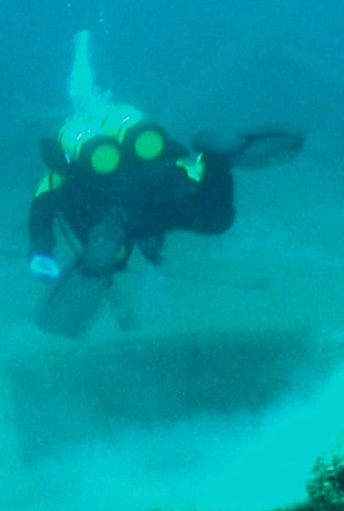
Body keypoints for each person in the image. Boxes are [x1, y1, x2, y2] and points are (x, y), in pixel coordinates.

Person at [27, 32, 300, 337]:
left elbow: (43, 206)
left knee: (104, 258)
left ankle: (118, 306)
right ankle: (216, 157)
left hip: (112, 212)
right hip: (156, 188)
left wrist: (41, 248)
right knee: (214, 218)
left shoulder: (66, 171)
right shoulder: (142, 152)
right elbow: (184, 171)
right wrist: (207, 168)